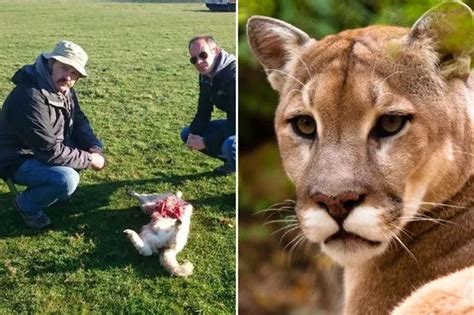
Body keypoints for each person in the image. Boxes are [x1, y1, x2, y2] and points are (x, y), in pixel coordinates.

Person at [0, 40, 106, 229]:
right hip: (16, 158)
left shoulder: (63, 90)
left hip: (44, 149)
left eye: (74, 74)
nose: (68, 77)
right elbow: (50, 151)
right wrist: (90, 158)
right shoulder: (30, 97)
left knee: (90, 147)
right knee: (66, 179)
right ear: (50, 64)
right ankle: (26, 204)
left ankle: (55, 193)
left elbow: (79, 120)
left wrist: (93, 147)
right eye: (64, 68)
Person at [180, 35, 236, 176]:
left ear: (215, 51)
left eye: (203, 55)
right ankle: (231, 162)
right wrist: (194, 134)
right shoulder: (205, 75)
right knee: (186, 134)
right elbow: (203, 110)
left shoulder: (234, 76)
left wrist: (206, 142)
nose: (199, 61)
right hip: (233, 122)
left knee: (230, 145)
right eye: (194, 59)